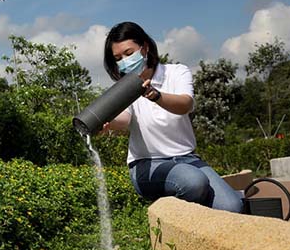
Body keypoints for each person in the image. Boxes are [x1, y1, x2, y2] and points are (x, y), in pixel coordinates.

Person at [101, 21, 243, 213]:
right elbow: (125, 119)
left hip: (187, 159)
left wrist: (156, 96)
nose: (124, 61)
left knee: (233, 207)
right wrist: (107, 123)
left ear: (145, 48)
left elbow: (185, 104)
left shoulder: (177, 72)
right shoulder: (125, 86)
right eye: (118, 58)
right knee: (193, 183)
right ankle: (169, 217)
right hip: (147, 164)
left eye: (128, 53)